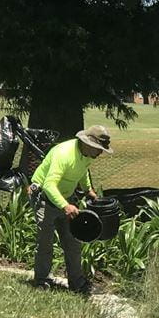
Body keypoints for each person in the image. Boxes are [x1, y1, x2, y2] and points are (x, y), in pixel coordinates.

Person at [29, 124, 111, 293]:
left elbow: (82, 171)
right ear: (88, 144)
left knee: (73, 241)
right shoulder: (64, 154)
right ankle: (41, 281)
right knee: (46, 243)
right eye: (99, 148)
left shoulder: (87, 154)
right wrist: (65, 205)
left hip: (65, 199)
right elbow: (49, 185)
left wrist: (88, 189)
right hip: (44, 198)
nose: (100, 152)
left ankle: (77, 282)